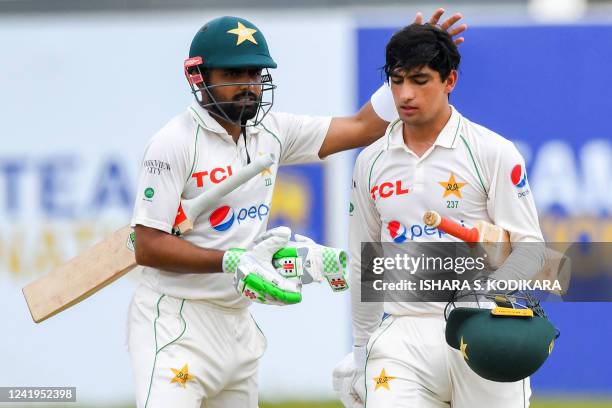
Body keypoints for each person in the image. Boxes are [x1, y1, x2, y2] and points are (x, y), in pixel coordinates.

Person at [127, 12, 466, 408]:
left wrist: (416, 58)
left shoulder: (271, 132)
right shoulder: (173, 143)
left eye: (255, 74)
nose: (249, 86)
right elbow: (147, 246)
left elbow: (362, 127)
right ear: (199, 77)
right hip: (175, 324)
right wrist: (232, 262)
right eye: (234, 75)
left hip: (238, 325)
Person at [333, 23, 544, 407]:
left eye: (419, 80)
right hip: (403, 335)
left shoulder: (492, 152)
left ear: (450, 80)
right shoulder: (370, 161)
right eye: (396, 81)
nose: (405, 94)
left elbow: (532, 250)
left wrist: (491, 285)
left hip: (483, 328)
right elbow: (366, 266)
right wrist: (363, 350)